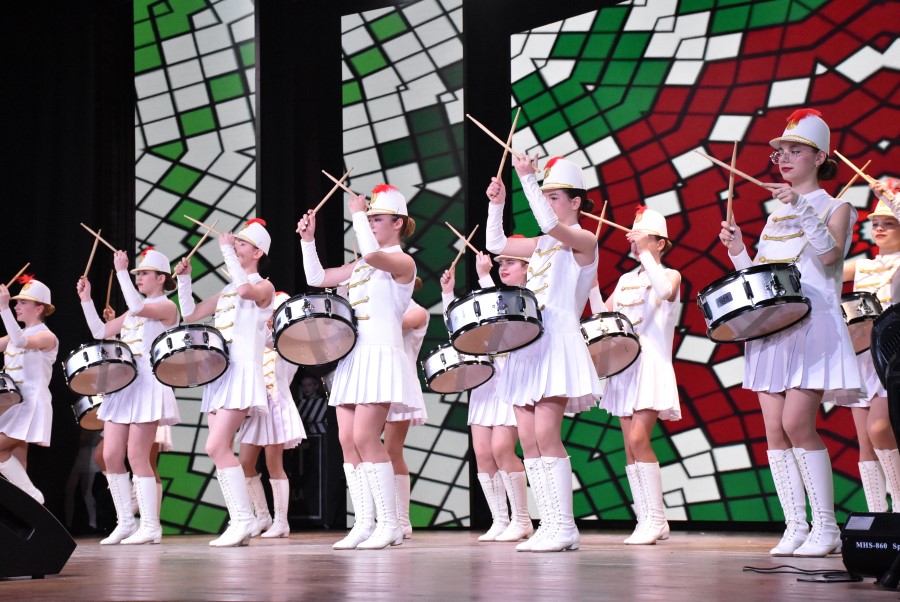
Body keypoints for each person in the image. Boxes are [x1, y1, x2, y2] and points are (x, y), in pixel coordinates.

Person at [718, 108, 859, 557]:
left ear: (819, 158)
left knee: (798, 423)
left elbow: (830, 257)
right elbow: (762, 280)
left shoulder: (837, 206)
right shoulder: (775, 215)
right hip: (772, 326)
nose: (783, 158)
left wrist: (801, 206)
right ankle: (795, 525)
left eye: (795, 151)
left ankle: (826, 527)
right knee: (775, 430)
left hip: (813, 324)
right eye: (780, 151)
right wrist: (739, 252)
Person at [485, 156, 604, 552]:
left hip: (558, 343)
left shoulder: (584, 241)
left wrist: (527, 179)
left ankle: (565, 526)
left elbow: (552, 225)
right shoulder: (540, 246)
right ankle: (548, 524)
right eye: (545, 196)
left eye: (555, 196)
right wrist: (498, 203)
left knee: (547, 436)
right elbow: (496, 244)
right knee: (529, 441)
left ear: (576, 202)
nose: (548, 202)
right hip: (527, 345)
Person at [298, 183, 422, 550]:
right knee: (348, 440)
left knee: (367, 437)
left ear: (398, 223)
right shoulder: (363, 265)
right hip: (354, 358)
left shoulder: (402, 262)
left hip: (381, 355)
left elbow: (372, 252)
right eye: (370, 219)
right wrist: (308, 240)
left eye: (377, 219)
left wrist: (356, 215)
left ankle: (390, 524)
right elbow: (317, 279)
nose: (370, 224)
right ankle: (364, 523)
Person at [175, 219, 274, 547]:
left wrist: (225, 251)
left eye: (242, 244)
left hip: (243, 372)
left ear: (258, 253)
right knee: (219, 449)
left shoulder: (263, 286)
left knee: (215, 446)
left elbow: (246, 290)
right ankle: (240, 521)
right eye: (236, 243)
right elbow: (190, 315)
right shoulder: (229, 288)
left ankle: (244, 520)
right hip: (220, 373)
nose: (236, 246)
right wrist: (185, 280)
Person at [77, 248, 180, 545]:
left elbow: (137, 307)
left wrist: (122, 270)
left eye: (144, 273)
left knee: (137, 455)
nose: (139, 278)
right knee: (110, 455)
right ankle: (125, 522)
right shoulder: (135, 310)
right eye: (137, 274)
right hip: (122, 385)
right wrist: (86, 299)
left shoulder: (167, 307)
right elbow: (100, 331)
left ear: (161, 278)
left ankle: (151, 525)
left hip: (148, 384)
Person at [597, 207, 681, 545]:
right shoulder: (625, 280)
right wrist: (589, 284)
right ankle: (646, 519)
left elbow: (665, 292)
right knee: (629, 449)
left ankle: (657, 519)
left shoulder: (671, 274)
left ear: (660, 243)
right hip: (624, 368)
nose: (634, 242)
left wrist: (645, 254)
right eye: (633, 237)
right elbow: (603, 315)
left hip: (651, 365)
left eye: (642, 237)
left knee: (638, 440)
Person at [440, 251, 533, 542]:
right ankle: (500, 520)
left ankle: (522, 519)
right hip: (485, 381)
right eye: (501, 263)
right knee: (482, 453)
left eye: (511, 263)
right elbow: (460, 327)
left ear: (527, 268)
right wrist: (447, 294)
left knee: (502, 448)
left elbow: (499, 311)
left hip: (512, 378)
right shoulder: (495, 292)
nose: (504, 267)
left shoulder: (528, 296)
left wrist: (484, 276)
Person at [840, 177, 900, 512]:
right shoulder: (862, 265)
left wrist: (892, 199)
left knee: (879, 430)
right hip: (861, 356)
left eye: (888, 223)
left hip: (892, 358)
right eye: (875, 223)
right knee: (865, 441)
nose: (879, 228)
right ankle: (877, 515)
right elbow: (821, 269)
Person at [238, 291, 307, 539]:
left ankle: (281, 521)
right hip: (257, 407)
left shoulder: (291, 342)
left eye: (274, 314)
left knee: (273, 463)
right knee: (244, 463)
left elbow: (284, 371)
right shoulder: (259, 340)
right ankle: (262, 515)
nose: (269, 318)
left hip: (277, 405)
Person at [0, 275, 58, 503]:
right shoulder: (15, 335)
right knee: (17, 461)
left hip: (31, 403)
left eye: (23, 302)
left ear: (39, 308)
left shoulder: (47, 336)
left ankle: (34, 497)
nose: (16, 306)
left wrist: (4, 309)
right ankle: (28, 509)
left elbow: (21, 342)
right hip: (14, 404)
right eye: (15, 303)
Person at [383, 277, 429, 539]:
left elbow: (391, 323)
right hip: (376, 383)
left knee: (392, 451)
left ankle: (401, 519)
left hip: (400, 385)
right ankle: (382, 517)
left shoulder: (417, 311)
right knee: (364, 448)